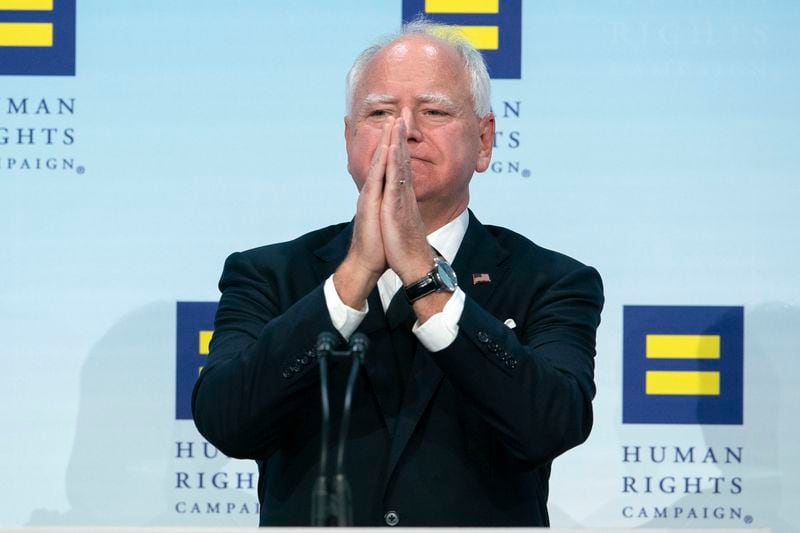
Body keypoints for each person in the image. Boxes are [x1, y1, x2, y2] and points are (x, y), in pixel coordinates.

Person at [192, 19, 604, 527]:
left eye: (433, 111)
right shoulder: (267, 275)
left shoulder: (551, 281)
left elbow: (551, 425)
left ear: (484, 140)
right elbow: (226, 421)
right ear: (348, 139)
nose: (404, 128)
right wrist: (353, 278)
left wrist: (423, 274)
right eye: (380, 112)